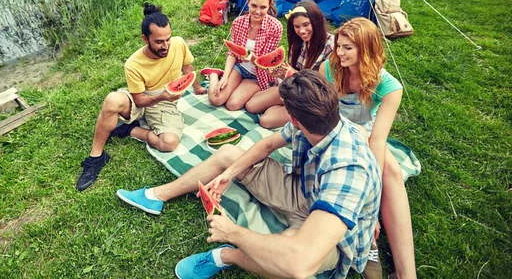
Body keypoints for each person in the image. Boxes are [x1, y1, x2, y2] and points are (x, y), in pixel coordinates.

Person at [116, 70, 382, 279]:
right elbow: (266, 145)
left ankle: (226, 256)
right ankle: (157, 196)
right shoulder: (316, 119)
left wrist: (233, 233)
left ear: (292, 118)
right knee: (231, 154)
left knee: (289, 262)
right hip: (303, 192)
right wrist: (229, 174)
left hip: (332, 236)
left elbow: (300, 262)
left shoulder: (349, 169)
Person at [319, 17, 416, 279]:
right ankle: (368, 240)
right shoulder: (328, 69)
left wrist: (372, 182)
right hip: (333, 134)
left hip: (368, 137)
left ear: (367, 48)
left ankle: (407, 274)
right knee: (359, 166)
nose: (339, 53)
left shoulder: (390, 87)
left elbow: (378, 140)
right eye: (338, 46)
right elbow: (324, 117)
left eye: (347, 47)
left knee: (391, 173)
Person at [75, 3, 206, 192]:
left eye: (167, 39)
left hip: (164, 103)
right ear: (145, 39)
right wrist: (162, 96)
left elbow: (188, 69)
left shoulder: (178, 44)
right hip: (143, 97)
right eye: (159, 42)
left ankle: (130, 130)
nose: (166, 46)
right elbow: (138, 100)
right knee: (112, 100)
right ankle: (96, 158)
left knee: (169, 143)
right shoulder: (133, 64)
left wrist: (198, 87)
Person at [245, 0, 334, 128]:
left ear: (316, 21)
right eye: (297, 27)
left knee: (266, 120)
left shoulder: (331, 46)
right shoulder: (299, 42)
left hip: (312, 99)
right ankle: (284, 105)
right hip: (294, 88)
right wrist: (280, 73)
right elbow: (291, 71)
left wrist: (291, 75)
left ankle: (290, 110)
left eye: (306, 24)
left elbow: (324, 88)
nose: (302, 31)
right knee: (251, 106)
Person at [201, 0, 282, 111]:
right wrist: (226, 77)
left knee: (232, 104)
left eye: (263, 7)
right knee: (216, 99)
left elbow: (267, 63)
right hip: (239, 67)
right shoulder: (238, 23)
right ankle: (214, 74)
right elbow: (232, 53)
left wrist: (251, 57)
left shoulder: (275, 27)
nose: (257, 11)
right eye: (254, 5)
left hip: (258, 75)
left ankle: (242, 88)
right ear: (248, 2)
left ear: (269, 6)